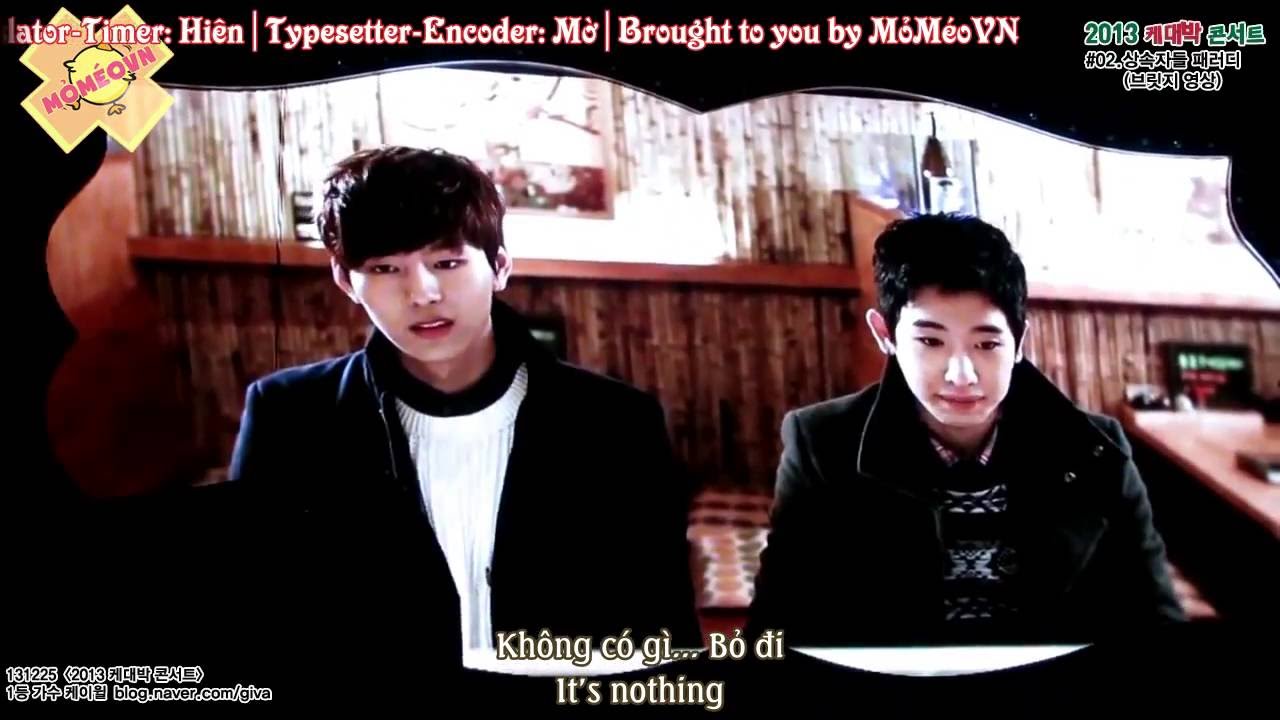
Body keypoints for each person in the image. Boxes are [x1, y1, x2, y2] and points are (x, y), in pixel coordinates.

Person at [228, 146, 701, 667]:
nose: (422, 293)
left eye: (447, 262)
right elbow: (253, 619)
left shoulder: (616, 423)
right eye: (386, 268)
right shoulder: (289, 415)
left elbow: (664, 637)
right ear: (346, 281)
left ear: (499, 266)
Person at [747, 213, 1185, 646]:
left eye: (987, 344)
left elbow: (1155, 622)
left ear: (1020, 341)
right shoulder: (822, 444)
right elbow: (775, 630)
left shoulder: (1093, 450)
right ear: (886, 335)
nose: (961, 375)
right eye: (930, 341)